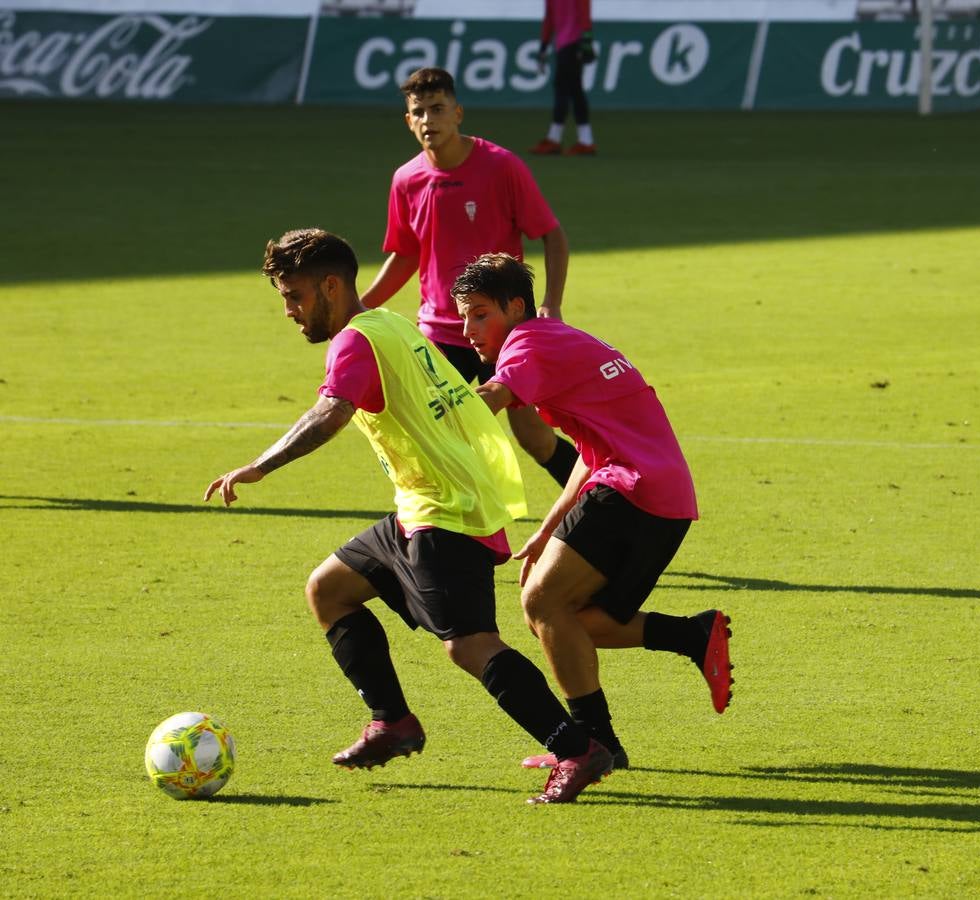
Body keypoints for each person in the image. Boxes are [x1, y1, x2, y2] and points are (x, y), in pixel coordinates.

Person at [204, 229, 611, 804]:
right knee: (330, 589)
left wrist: (259, 466)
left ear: (329, 286)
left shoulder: (354, 342)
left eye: (295, 296)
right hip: (426, 502)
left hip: (444, 510)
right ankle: (392, 722)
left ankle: (575, 748)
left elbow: (331, 412)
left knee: (470, 644)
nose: (291, 311)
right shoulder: (391, 323)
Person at [452, 252, 733, 771]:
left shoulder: (529, 342)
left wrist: (434, 417)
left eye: (480, 313)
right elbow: (589, 451)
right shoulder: (560, 340)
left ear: (516, 308)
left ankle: (591, 746)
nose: (469, 328)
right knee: (570, 623)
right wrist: (547, 529)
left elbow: (492, 394)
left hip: (634, 489)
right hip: (662, 497)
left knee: (541, 602)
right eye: (464, 315)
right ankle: (691, 635)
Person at [360, 66, 581, 491]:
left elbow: (552, 235)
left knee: (532, 436)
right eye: (419, 112)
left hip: (505, 328)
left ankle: (596, 499)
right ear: (409, 120)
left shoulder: (501, 167)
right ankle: (452, 523)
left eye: (438, 109)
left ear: (458, 113)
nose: (429, 120)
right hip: (442, 331)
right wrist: (360, 309)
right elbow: (406, 254)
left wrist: (551, 304)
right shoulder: (406, 180)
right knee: (436, 432)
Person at [529, 0, 597, 157]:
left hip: (572, 43)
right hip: (566, 44)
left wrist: (586, 40)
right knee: (574, 90)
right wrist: (544, 46)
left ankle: (556, 139)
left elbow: (582, 12)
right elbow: (551, 18)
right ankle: (585, 140)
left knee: (563, 89)